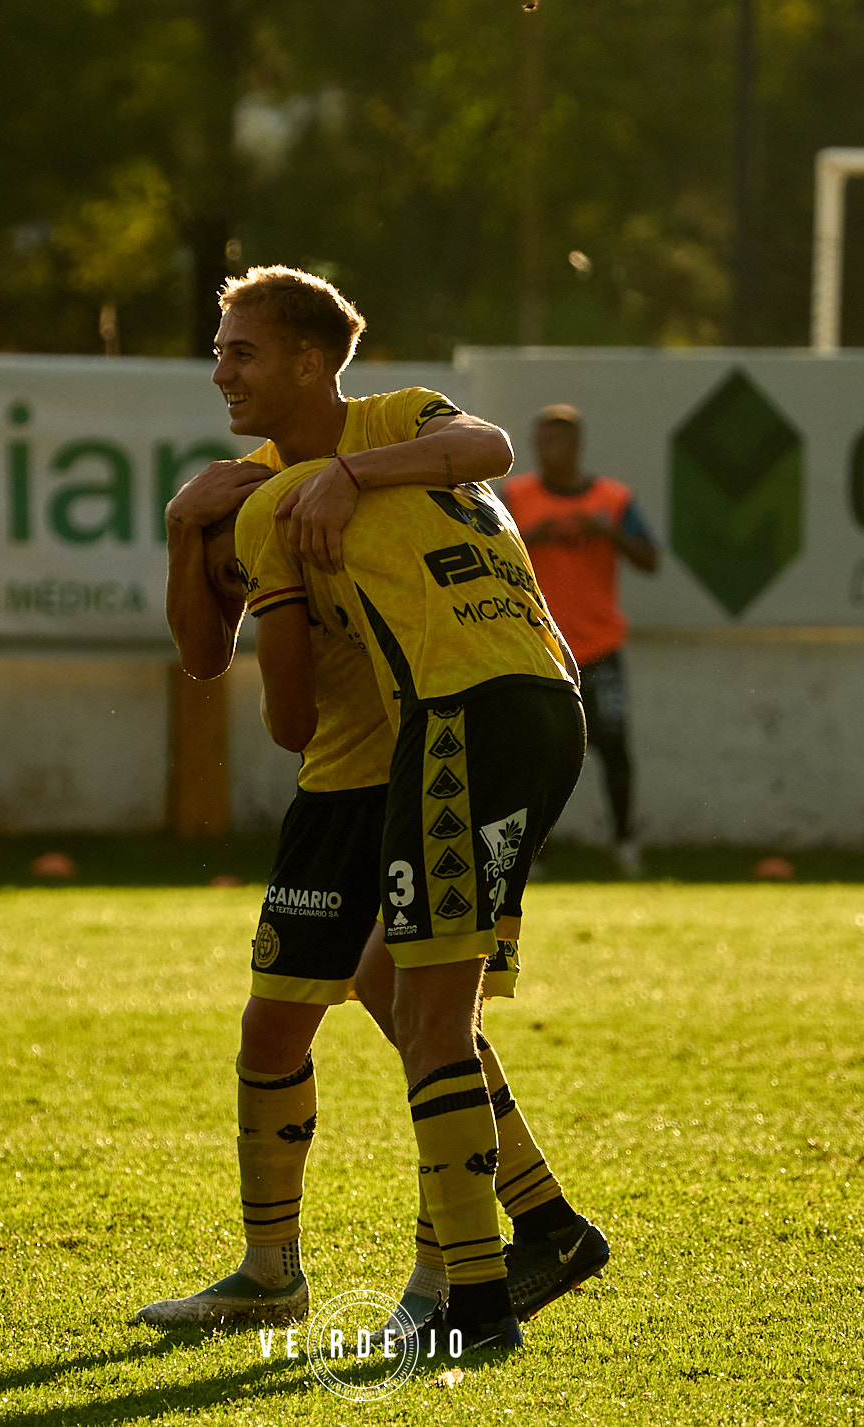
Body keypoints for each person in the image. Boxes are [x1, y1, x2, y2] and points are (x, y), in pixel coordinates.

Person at [141, 267, 606, 1343]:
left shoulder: (383, 428)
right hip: (485, 718)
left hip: (455, 722)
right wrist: (182, 534)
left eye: (240, 351)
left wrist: (343, 476)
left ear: (311, 362)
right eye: (217, 350)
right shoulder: (254, 490)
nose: (219, 371)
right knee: (380, 991)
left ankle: (465, 1294)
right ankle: (501, 1237)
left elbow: (488, 447)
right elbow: (209, 656)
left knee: (429, 1016)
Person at [500, 406, 658, 877]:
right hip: (539, 648)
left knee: (613, 747)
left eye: (554, 441)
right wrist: (530, 538)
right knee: (536, 753)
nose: (544, 450)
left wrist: (607, 533)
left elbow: (650, 559)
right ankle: (533, 854)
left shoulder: (613, 499)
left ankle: (625, 842)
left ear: (576, 446)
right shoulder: (515, 497)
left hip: (599, 648)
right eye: (539, 441)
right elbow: (489, 554)